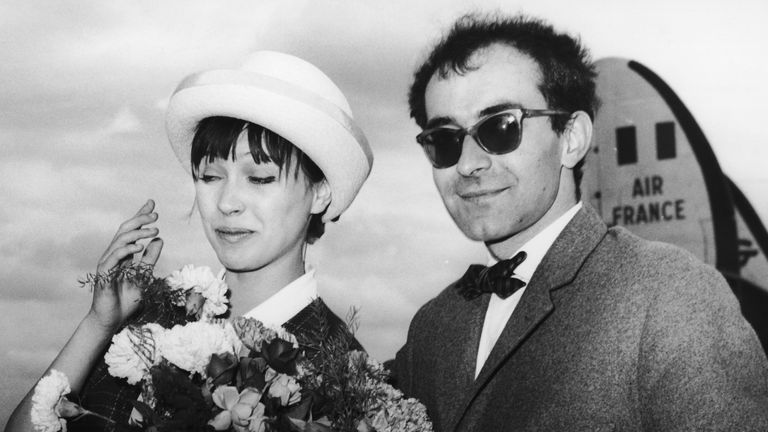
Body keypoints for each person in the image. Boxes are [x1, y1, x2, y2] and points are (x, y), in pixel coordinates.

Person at [394, 13, 768, 431]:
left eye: (500, 128)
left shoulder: (670, 298)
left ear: (571, 138)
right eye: (444, 140)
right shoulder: (432, 327)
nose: (468, 164)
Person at [6, 50, 372, 431]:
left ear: (320, 193)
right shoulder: (155, 315)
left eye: (260, 178)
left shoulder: (347, 378)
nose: (227, 203)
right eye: (209, 177)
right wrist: (99, 324)